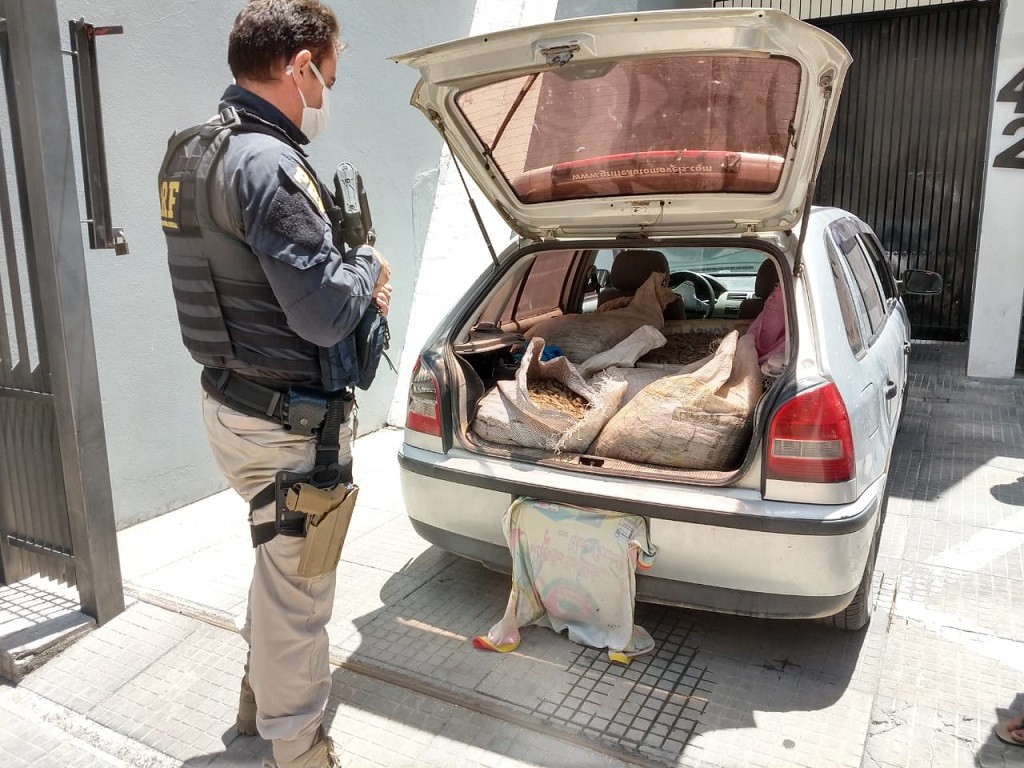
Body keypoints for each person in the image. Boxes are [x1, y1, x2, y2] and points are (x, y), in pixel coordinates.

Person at [157, 2, 391, 766]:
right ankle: (299, 750)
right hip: (288, 430)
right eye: (330, 71)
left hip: (231, 404)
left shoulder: (191, 149)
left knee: (277, 564)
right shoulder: (268, 163)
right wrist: (368, 270)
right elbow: (324, 316)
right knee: (301, 595)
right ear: (300, 67)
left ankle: (256, 713)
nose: (330, 87)